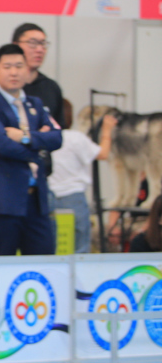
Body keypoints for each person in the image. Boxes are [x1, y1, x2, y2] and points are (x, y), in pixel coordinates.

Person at [0, 44, 62, 256]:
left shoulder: (35, 104)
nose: (14, 72)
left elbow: (57, 138)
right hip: (2, 202)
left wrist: (25, 136)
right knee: (3, 266)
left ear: (27, 71)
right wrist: (38, 148)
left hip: (36, 200)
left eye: (19, 66)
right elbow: (3, 145)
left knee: (43, 263)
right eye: (7, 67)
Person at [0, 23, 64, 154]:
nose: (39, 49)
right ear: (16, 45)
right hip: (1, 162)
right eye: (32, 43)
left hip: (42, 164)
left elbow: (57, 135)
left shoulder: (50, 88)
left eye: (43, 44)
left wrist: (25, 137)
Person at [48, 99, 116, 254]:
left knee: (53, 245)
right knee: (80, 247)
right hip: (73, 196)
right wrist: (107, 130)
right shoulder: (75, 138)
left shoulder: (43, 138)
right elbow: (103, 154)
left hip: (48, 196)